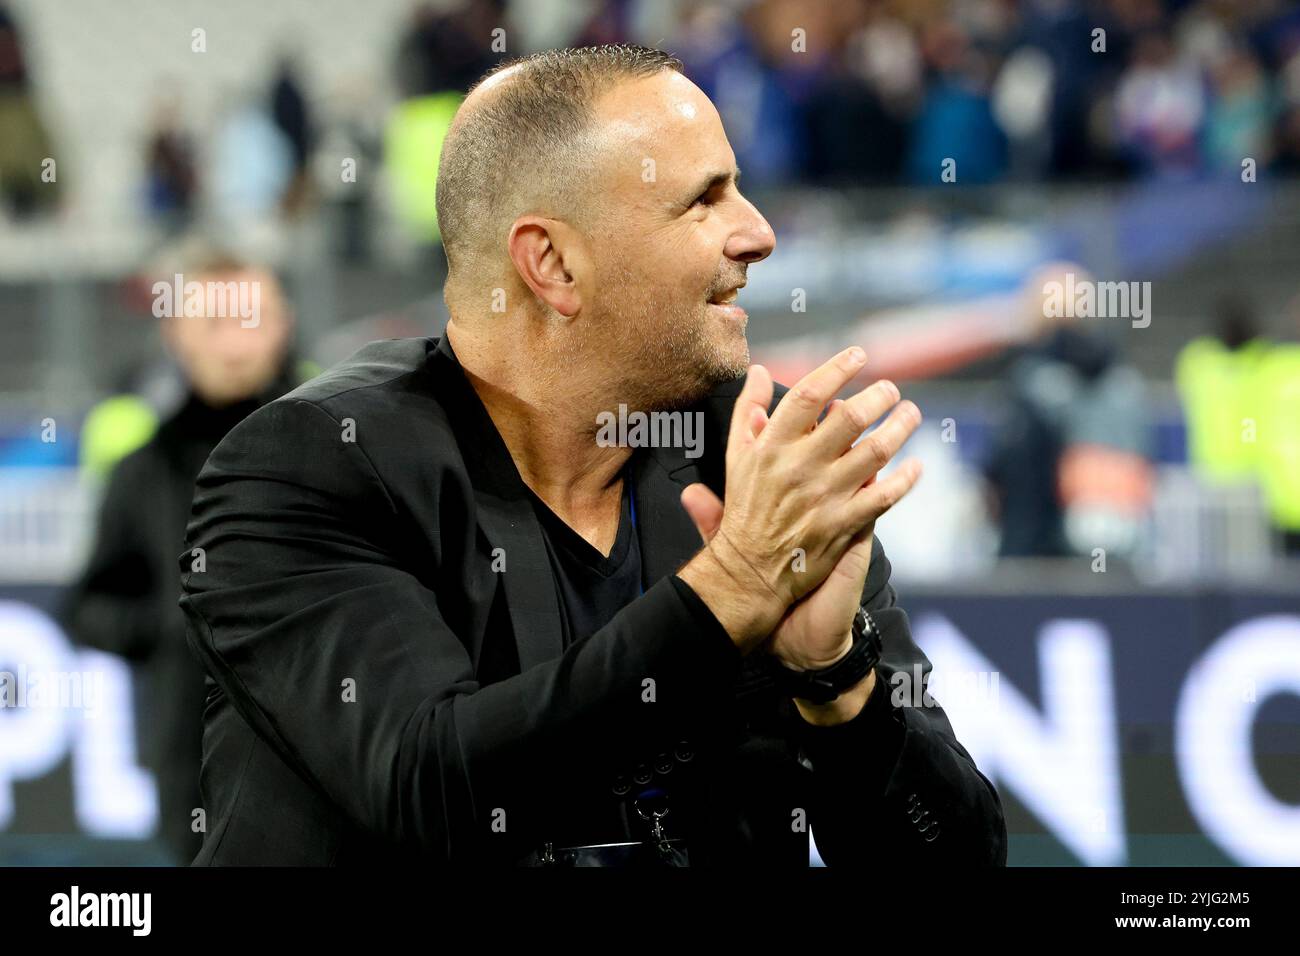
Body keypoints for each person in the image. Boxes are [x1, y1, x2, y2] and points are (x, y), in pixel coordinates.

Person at [179, 45, 1005, 867]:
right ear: (552, 263)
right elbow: (432, 791)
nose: (758, 233)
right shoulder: (313, 464)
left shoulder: (754, 455)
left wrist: (835, 680)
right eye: (704, 200)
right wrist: (733, 593)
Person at [62, 242, 305, 864]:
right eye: (214, 323)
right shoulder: (142, 470)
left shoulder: (348, 448)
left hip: (334, 752)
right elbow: (89, 605)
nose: (234, 344)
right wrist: (175, 627)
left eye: (249, 319)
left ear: (282, 324)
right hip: (194, 763)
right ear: (176, 333)